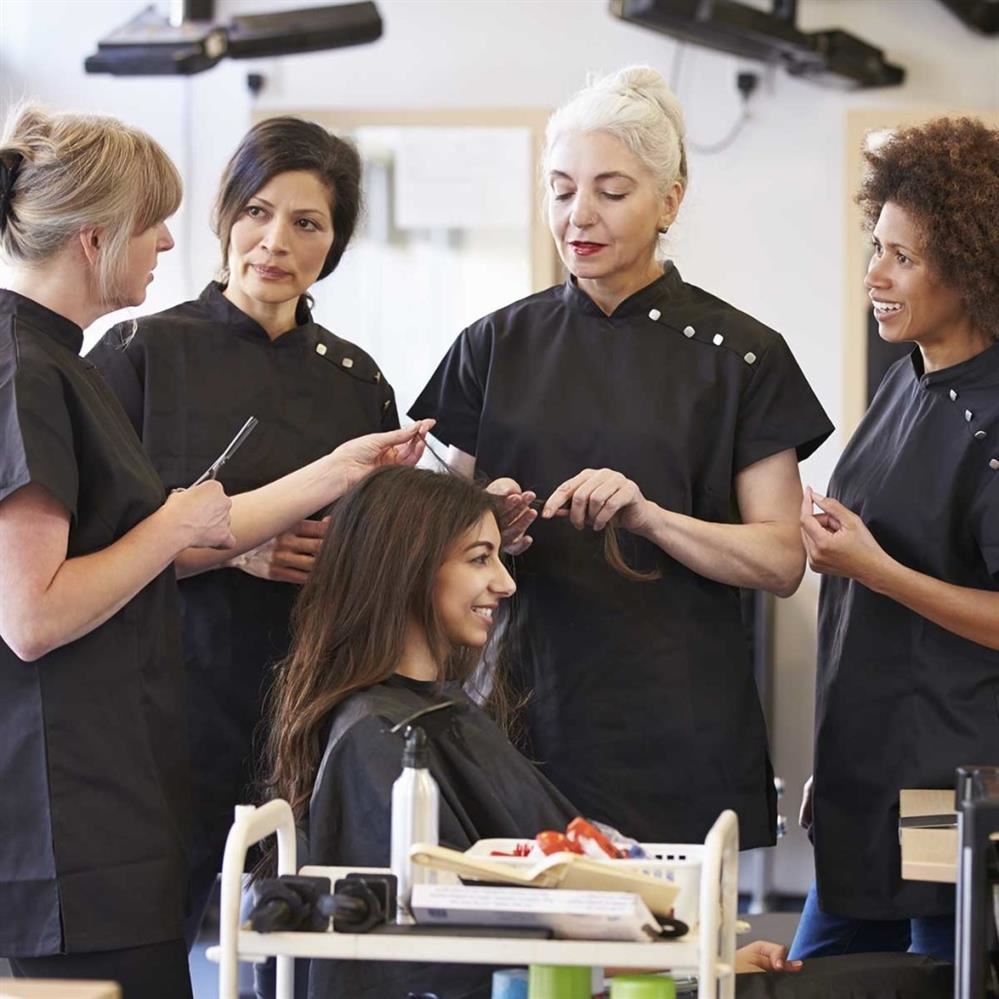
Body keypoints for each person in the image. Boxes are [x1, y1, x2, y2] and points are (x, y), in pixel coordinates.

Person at [0, 104, 429, 998]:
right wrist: (178, 529)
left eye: (306, 222)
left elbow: (207, 521)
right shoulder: (43, 370)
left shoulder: (58, 364)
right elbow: (32, 614)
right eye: (154, 221)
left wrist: (348, 470)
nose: (166, 241)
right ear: (93, 236)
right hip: (77, 792)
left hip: (139, 765)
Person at [409, 66, 833, 849]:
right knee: (530, 966)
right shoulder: (492, 345)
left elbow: (780, 560)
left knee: (668, 964)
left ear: (669, 200)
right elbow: (418, 543)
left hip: (678, 727)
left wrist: (652, 516)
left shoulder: (740, 355)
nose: (578, 216)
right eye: (561, 188)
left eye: (611, 190)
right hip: (517, 713)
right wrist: (483, 524)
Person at [260, 465, 802, 999]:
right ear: (407, 569)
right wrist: (691, 973)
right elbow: (439, 965)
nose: (506, 581)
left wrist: (697, 966)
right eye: (480, 559)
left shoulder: (431, 712)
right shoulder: (378, 739)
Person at [87, 116, 399, 942]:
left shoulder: (356, 379)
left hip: (314, 706)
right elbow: (86, 553)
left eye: (307, 223)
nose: (275, 241)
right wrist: (240, 547)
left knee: (299, 951)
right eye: (258, 211)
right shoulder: (137, 352)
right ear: (225, 215)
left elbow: (383, 546)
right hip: (169, 701)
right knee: (166, 938)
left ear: (334, 244)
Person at [791, 116, 999, 962]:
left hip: (946, 788)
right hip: (867, 778)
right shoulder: (906, 380)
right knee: (808, 973)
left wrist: (876, 569)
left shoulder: (990, 423)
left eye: (902, 257)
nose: (874, 274)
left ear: (973, 266)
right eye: (876, 246)